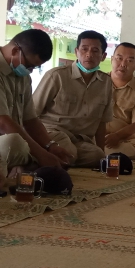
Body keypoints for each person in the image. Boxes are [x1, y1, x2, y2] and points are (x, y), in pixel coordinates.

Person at [0, 29, 73, 174]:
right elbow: (1, 122)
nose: (30, 70)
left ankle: (24, 165)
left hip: (18, 138)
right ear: (15, 51)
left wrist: (50, 146)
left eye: (35, 67)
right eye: (29, 65)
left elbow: (30, 120)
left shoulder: (23, 77)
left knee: (61, 141)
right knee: (13, 144)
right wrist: (42, 153)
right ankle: (29, 165)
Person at [33, 30, 113, 168]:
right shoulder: (56, 76)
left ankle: (59, 161)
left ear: (103, 56)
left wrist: (103, 157)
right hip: (52, 133)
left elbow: (102, 123)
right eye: (84, 49)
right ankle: (40, 159)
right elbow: (32, 112)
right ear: (76, 51)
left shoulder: (106, 82)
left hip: (79, 139)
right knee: (69, 151)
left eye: (95, 50)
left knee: (96, 156)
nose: (89, 54)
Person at [104, 42, 135, 160]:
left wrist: (117, 136)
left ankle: (98, 152)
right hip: (97, 135)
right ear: (112, 59)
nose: (123, 64)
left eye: (130, 60)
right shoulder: (97, 82)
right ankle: (101, 151)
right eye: (119, 58)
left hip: (124, 138)